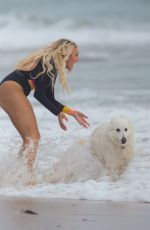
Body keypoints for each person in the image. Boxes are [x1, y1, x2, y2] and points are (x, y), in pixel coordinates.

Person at [0, 38, 89, 170]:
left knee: (29, 138)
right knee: (33, 137)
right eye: (75, 55)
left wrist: (71, 112)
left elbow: (49, 97)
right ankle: (24, 176)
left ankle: (16, 174)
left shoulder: (51, 65)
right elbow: (39, 95)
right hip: (12, 89)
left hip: (7, 90)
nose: (78, 58)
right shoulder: (51, 64)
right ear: (66, 54)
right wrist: (57, 112)